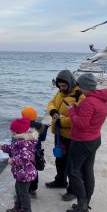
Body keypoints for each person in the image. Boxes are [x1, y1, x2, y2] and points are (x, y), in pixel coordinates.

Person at [65, 73, 107, 212]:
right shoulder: (101, 100)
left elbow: (81, 124)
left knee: (73, 172)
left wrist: (72, 111)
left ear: (84, 86)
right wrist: (78, 108)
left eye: (79, 85)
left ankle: (82, 207)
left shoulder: (88, 102)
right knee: (87, 170)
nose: (78, 88)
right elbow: (90, 118)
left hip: (82, 141)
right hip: (94, 139)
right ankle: (84, 203)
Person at [46, 70, 85, 201]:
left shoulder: (79, 95)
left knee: (71, 165)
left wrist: (61, 121)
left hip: (71, 136)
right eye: (60, 86)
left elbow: (79, 119)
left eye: (64, 86)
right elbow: (51, 102)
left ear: (70, 83)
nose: (62, 88)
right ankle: (60, 181)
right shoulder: (60, 92)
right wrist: (53, 111)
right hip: (59, 133)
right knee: (60, 159)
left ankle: (73, 190)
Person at [0, 117, 38, 212]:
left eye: (13, 130)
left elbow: (25, 157)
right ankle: (18, 207)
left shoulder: (26, 143)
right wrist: (4, 147)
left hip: (26, 173)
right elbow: (13, 149)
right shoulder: (19, 140)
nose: (12, 132)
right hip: (21, 173)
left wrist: (13, 161)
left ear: (18, 131)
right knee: (19, 190)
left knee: (24, 193)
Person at [21, 106, 49, 198]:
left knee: (24, 171)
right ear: (35, 116)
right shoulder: (40, 126)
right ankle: (33, 190)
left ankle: (25, 190)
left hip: (24, 152)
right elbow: (43, 138)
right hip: (36, 152)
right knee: (34, 171)